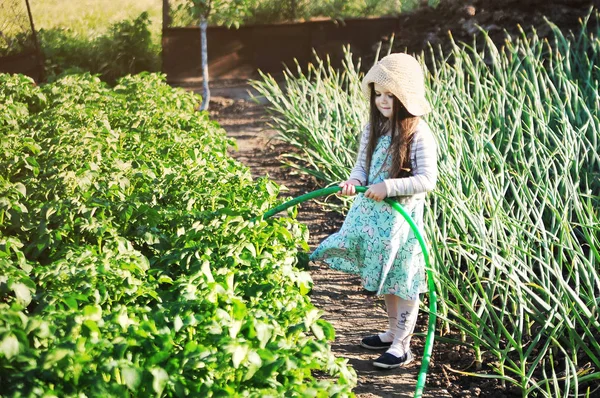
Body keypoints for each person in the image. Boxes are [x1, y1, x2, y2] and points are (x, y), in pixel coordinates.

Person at [310, 53, 438, 369]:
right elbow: (361, 167)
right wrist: (355, 181)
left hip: (401, 226)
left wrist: (389, 187)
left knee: (403, 280)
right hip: (373, 222)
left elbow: (427, 179)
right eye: (378, 94)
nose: (382, 101)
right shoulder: (374, 128)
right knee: (386, 278)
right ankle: (391, 331)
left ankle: (402, 345)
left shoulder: (419, 134)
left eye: (390, 95)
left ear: (406, 97)